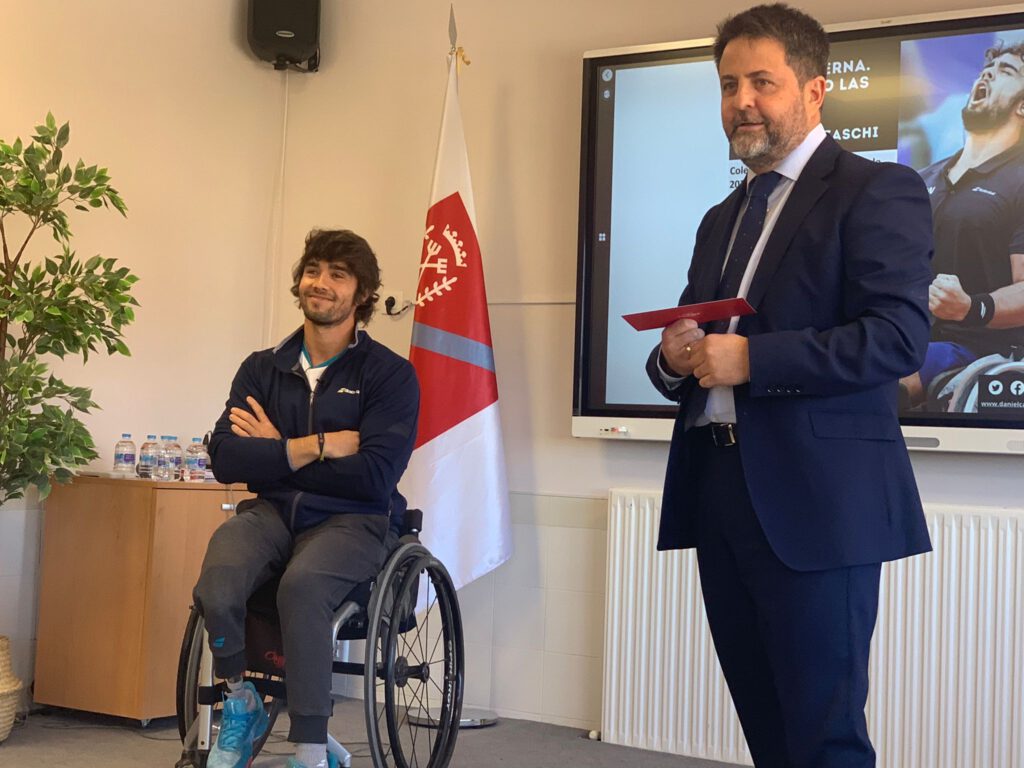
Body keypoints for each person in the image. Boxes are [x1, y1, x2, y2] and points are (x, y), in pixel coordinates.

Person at [645, 5, 933, 766]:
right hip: (720, 490)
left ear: (815, 90)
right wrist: (676, 359)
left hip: (819, 501)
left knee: (825, 737)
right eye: (729, 84)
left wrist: (754, 360)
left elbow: (899, 339)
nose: (742, 100)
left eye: (763, 82)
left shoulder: (877, 189)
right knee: (767, 729)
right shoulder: (720, 217)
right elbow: (694, 343)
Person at [193, 229, 419, 768]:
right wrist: (314, 448)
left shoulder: (390, 375)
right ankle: (240, 699)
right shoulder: (261, 367)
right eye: (314, 270)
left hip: (354, 521)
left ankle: (312, 748)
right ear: (300, 282)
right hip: (271, 514)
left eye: (338, 275)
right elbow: (226, 458)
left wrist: (276, 456)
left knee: (303, 586)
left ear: (361, 295)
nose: (321, 283)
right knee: (217, 582)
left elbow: (373, 477)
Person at [901, 41, 1024, 408]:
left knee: (881, 386)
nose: (987, 73)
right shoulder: (919, 178)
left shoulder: (1019, 181)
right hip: (901, 337)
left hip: (975, 349)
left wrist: (972, 306)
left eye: (1007, 72)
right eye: (988, 68)